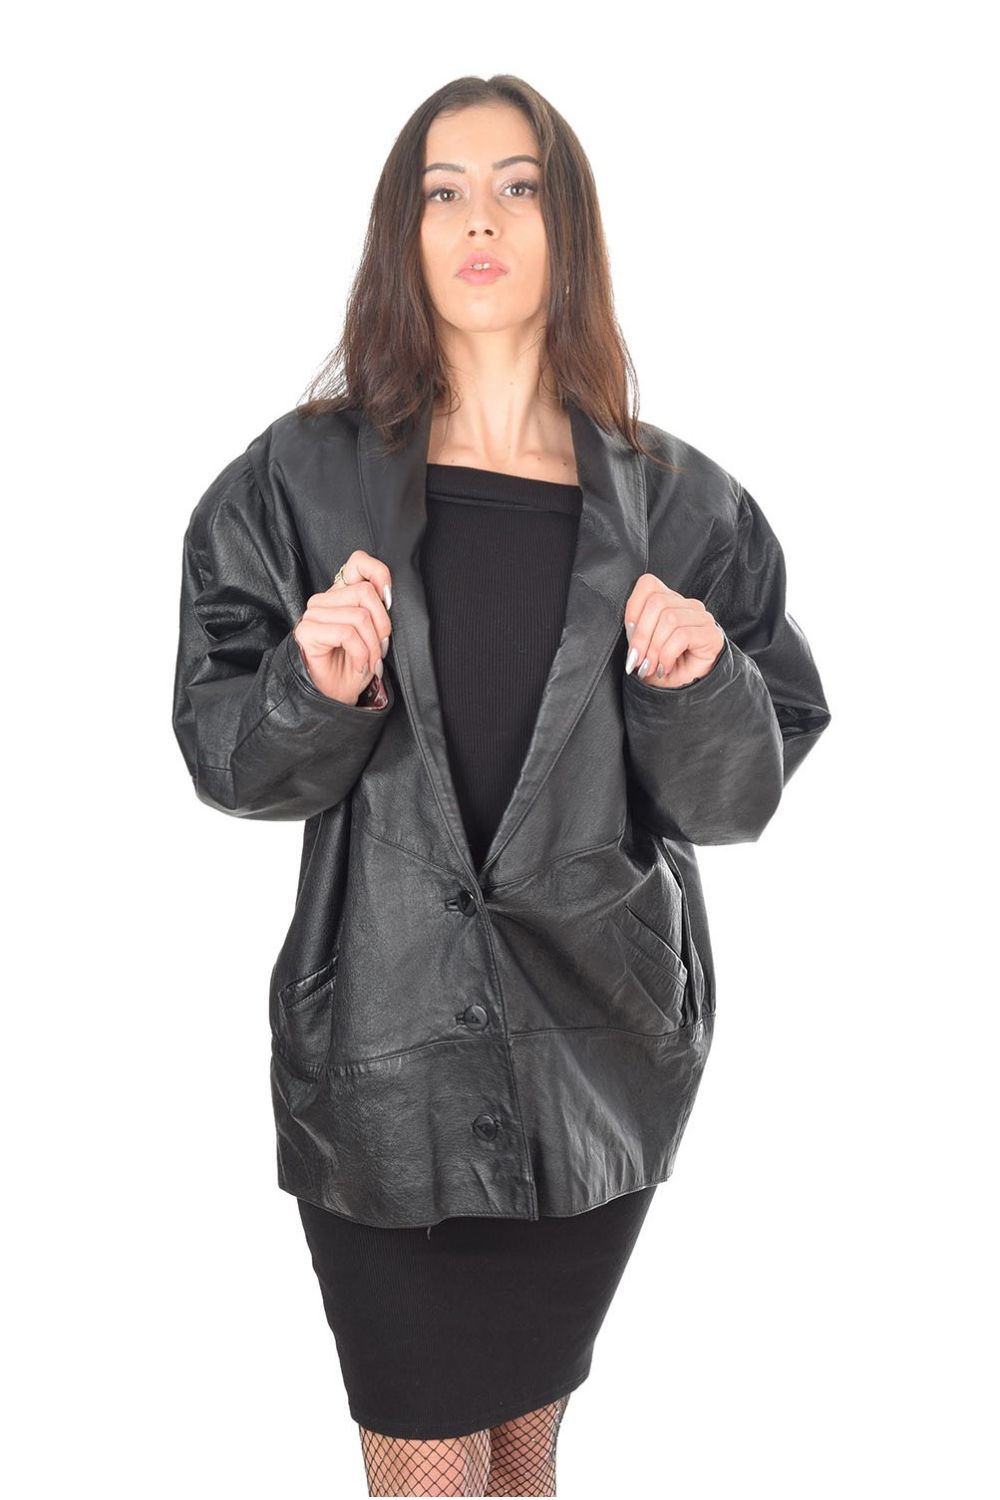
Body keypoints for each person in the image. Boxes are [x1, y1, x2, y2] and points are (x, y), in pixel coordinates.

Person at [172, 75, 832, 1498]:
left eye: (519, 187)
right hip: (381, 1061)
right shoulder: (297, 481)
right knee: (430, 1457)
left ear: (567, 225)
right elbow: (226, 756)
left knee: (524, 1458)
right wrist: (312, 684)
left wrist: (698, 681)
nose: (482, 219)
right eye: (445, 191)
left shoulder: (686, 507)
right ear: (402, 233)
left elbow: (738, 798)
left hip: (597, 1057)